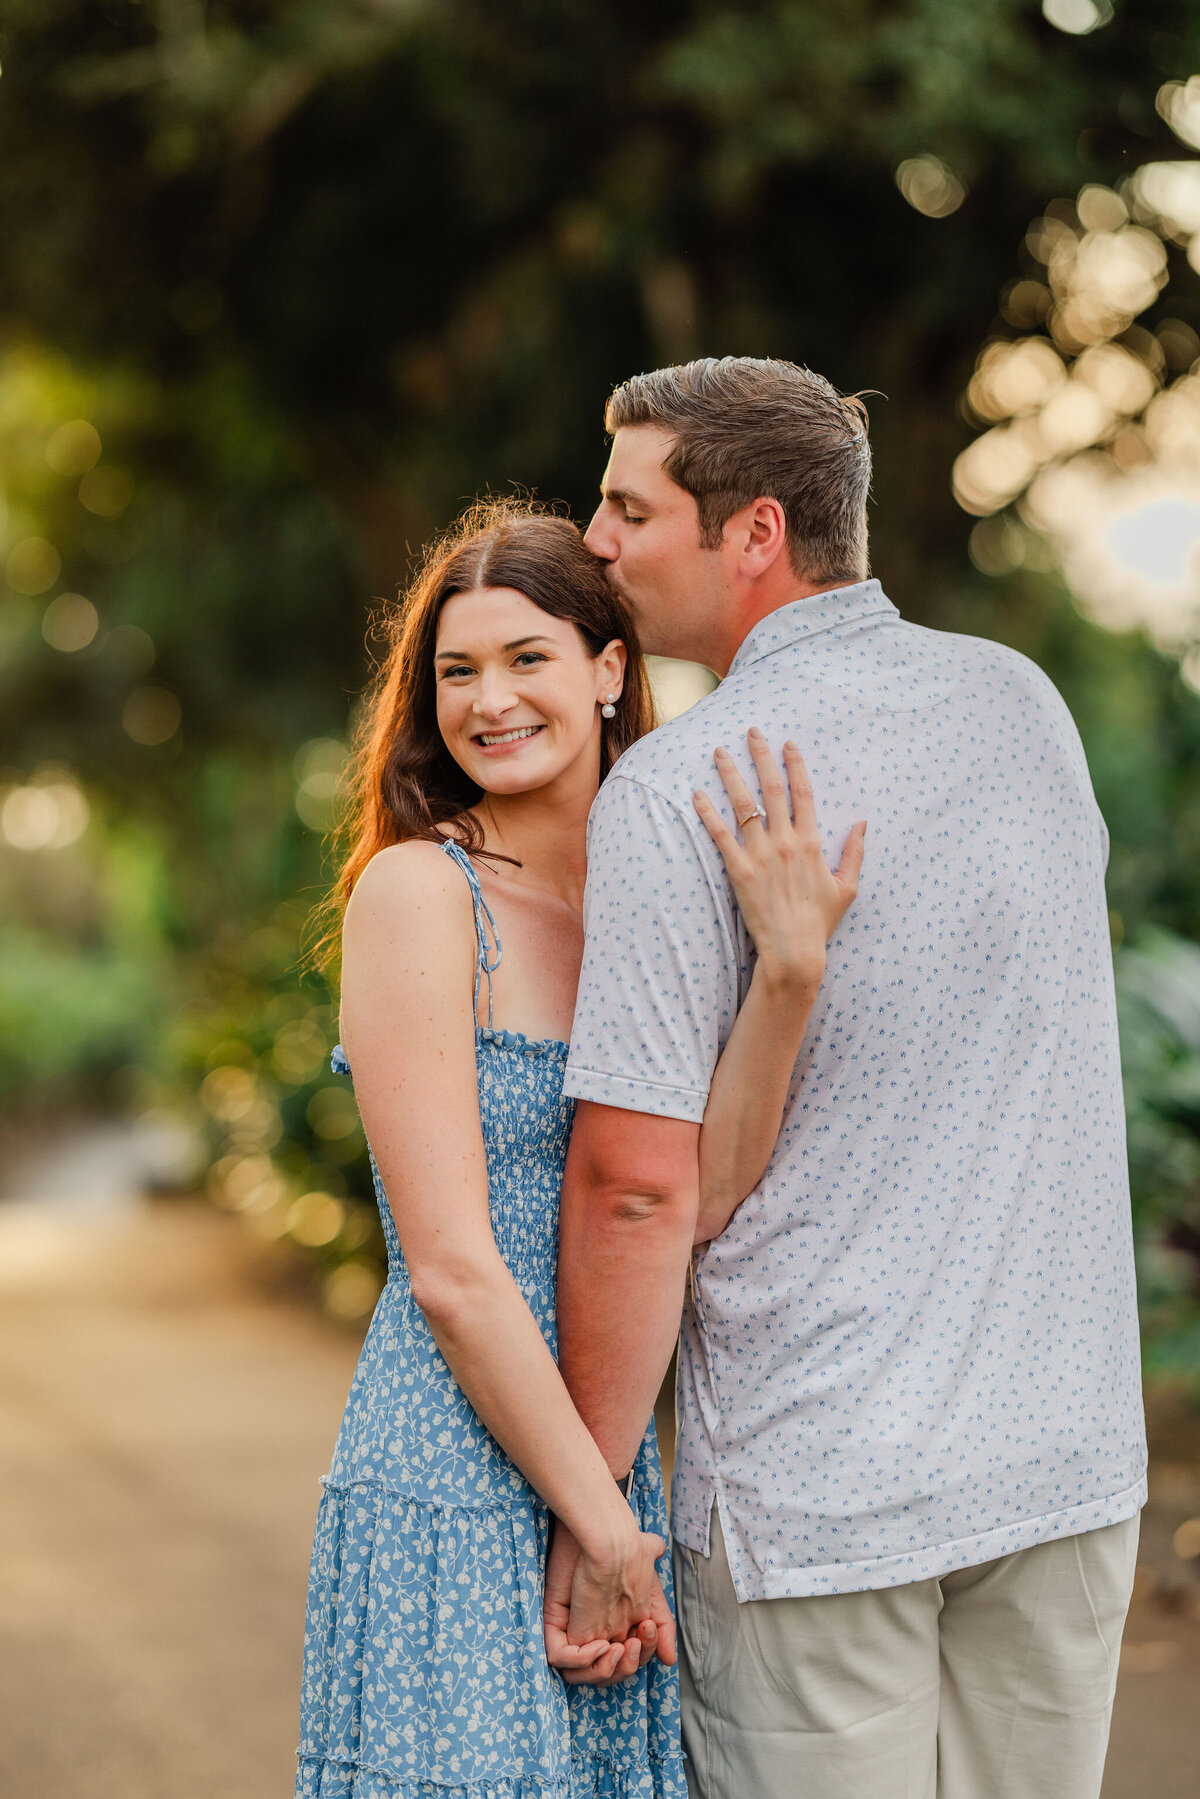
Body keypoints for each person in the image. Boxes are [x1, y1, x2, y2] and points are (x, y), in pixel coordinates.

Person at [548, 357, 1147, 1799]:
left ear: (754, 533)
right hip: (1060, 1464)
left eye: (629, 508)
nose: (596, 543)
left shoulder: (681, 787)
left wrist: (592, 1509)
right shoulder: (1024, 707)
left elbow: (636, 1185)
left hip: (818, 1500)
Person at [294, 497, 865, 1798]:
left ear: (611, 670)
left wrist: (785, 974)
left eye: (526, 658)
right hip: (459, 1466)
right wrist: (599, 1519)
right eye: (457, 671)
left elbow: (698, 1195)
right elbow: (449, 1264)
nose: (489, 699)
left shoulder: (659, 899)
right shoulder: (419, 896)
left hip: (610, 1458)